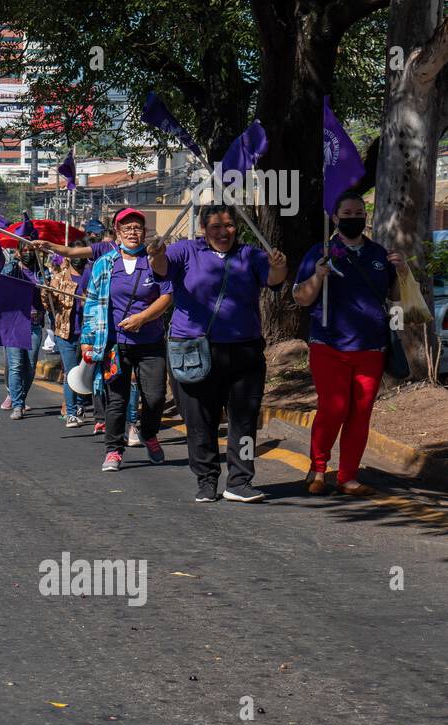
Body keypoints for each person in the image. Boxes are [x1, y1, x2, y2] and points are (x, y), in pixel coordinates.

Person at [149, 205, 287, 502]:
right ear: (203, 229)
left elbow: (275, 280)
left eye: (229, 225)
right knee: (200, 419)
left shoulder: (251, 254)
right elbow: (161, 268)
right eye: (215, 227)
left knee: (245, 420)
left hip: (245, 351)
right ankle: (206, 478)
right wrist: (157, 254)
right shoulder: (185, 251)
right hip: (195, 349)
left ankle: (241, 480)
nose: (223, 232)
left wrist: (278, 266)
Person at [292, 193, 407, 496]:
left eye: (359, 211)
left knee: (360, 412)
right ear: (335, 218)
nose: (354, 216)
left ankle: (348, 477)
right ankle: (318, 469)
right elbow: (300, 297)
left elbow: (395, 297)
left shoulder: (379, 254)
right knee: (334, 407)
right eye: (347, 212)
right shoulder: (321, 251)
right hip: (328, 345)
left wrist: (402, 271)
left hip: (371, 348)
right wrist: (317, 276)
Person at [80, 208, 173, 471]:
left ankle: (150, 433)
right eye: (127, 228)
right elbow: (92, 303)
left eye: (138, 228)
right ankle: (113, 450)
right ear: (117, 233)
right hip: (114, 344)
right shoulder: (104, 264)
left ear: (144, 233)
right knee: (117, 400)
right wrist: (87, 340)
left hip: (151, 343)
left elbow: (167, 297)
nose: (133, 232)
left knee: (154, 398)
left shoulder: (154, 261)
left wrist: (142, 318)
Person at [43, 240, 89, 428]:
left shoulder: (93, 275)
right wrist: (47, 293)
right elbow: (48, 304)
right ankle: (70, 412)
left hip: (88, 334)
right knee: (71, 373)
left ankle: (79, 405)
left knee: (85, 374)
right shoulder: (60, 278)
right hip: (65, 333)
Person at [1, 249, 45, 420]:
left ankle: (21, 396)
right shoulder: (12, 270)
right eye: (24, 249)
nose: (28, 253)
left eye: (31, 250)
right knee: (16, 365)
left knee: (30, 366)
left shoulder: (41, 271)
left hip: (34, 325)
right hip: (14, 324)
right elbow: (2, 281)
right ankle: (18, 404)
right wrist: (14, 260)